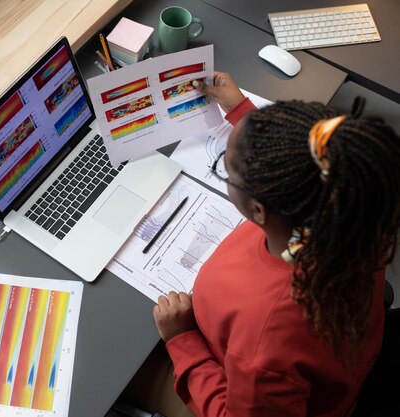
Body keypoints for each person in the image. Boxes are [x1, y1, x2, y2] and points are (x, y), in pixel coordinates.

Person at [152, 72, 400, 416]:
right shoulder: (353, 211)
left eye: (226, 169)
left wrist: (182, 341)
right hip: (323, 363)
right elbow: (302, 162)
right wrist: (242, 113)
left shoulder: (267, 342)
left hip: (219, 366)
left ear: (258, 208)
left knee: (132, 371)